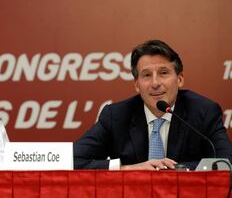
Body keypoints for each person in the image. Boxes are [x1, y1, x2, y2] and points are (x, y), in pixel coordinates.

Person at [73, 39, 232, 170]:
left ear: (180, 79)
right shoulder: (115, 116)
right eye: (147, 75)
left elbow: (226, 162)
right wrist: (126, 169)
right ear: (137, 84)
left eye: (163, 73)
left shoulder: (203, 112)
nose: (155, 83)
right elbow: (73, 160)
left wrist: (171, 169)